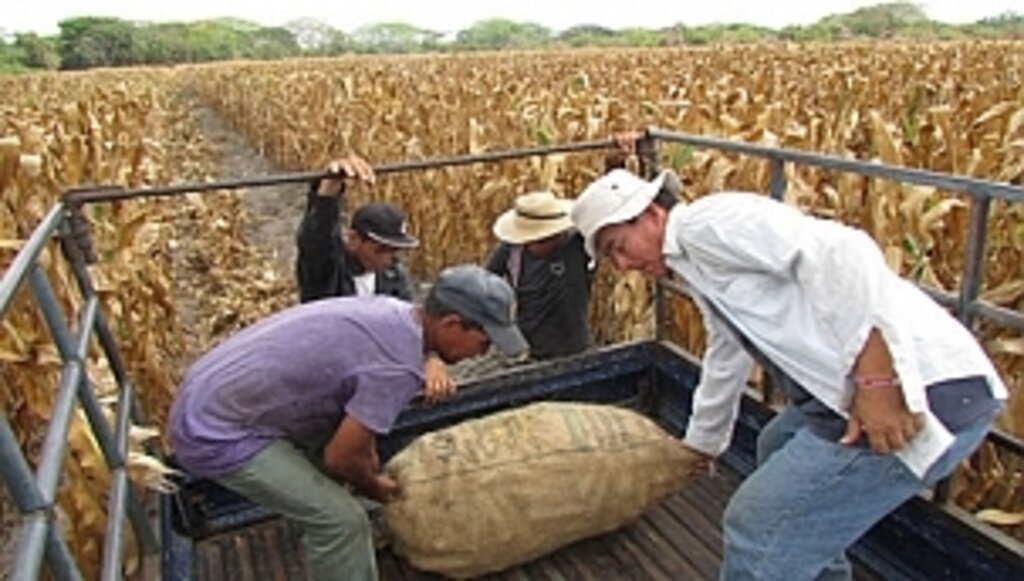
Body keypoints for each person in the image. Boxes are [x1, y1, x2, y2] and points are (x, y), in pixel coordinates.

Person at [570, 168, 1006, 580]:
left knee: (757, 529)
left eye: (618, 246)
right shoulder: (691, 264)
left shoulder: (707, 226)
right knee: (774, 442)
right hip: (852, 390)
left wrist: (878, 384)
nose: (623, 265)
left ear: (651, 213)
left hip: (928, 393)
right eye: (611, 257)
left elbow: (844, 250)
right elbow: (726, 350)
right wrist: (702, 443)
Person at [168, 265, 528, 581]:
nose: (483, 354)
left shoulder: (397, 313)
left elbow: (354, 427)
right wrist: (372, 485)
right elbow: (340, 459)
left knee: (349, 473)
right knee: (342, 523)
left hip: (210, 393)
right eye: (483, 343)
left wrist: (363, 464)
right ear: (451, 324)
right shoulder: (397, 367)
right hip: (214, 431)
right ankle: (335, 542)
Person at [296, 155, 455, 401]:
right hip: (330, 376)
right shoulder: (327, 270)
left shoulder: (392, 274)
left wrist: (431, 358)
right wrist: (329, 187)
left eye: (395, 251)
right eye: (381, 250)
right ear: (354, 240)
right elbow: (316, 237)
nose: (389, 259)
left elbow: (413, 324)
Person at [485, 190, 592, 360]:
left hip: (574, 349)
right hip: (528, 351)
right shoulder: (510, 252)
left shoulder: (575, 246)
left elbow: (606, 219)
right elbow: (482, 287)